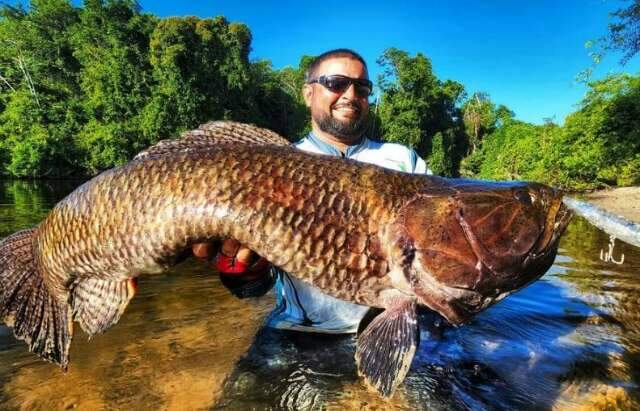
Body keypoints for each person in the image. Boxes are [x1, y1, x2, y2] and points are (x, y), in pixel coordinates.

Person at [193, 48, 430, 334]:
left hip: (398, 327)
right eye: (336, 83)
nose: (351, 94)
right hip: (300, 333)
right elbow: (250, 291)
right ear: (308, 94)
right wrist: (243, 270)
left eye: (362, 87)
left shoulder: (404, 159)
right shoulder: (269, 164)